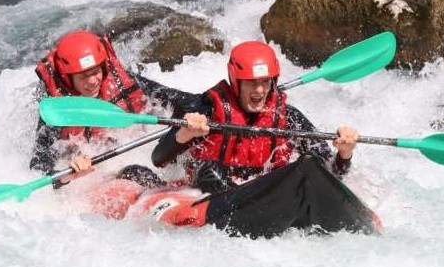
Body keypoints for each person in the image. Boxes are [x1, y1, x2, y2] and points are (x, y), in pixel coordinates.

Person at [151, 40, 360, 194]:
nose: (259, 91)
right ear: (236, 81)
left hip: (268, 193)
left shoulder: (287, 117)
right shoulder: (207, 111)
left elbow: (329, 172)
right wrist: (185, 133)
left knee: (307, 165)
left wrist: (344, 154)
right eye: (251, 82)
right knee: (208, 171)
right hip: (216, 193)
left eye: (265, 82)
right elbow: (159, 159)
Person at [30, 30, 199, 188]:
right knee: (136, 173)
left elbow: (186, 101)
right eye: (83, 77)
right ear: (67, 78)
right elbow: (39, 167)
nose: (92, 81)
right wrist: (67, 175)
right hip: (95, 181)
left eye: (95, 72)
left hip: (147, 156)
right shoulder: (56, 112)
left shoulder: (119, 81)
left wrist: (197, 116)